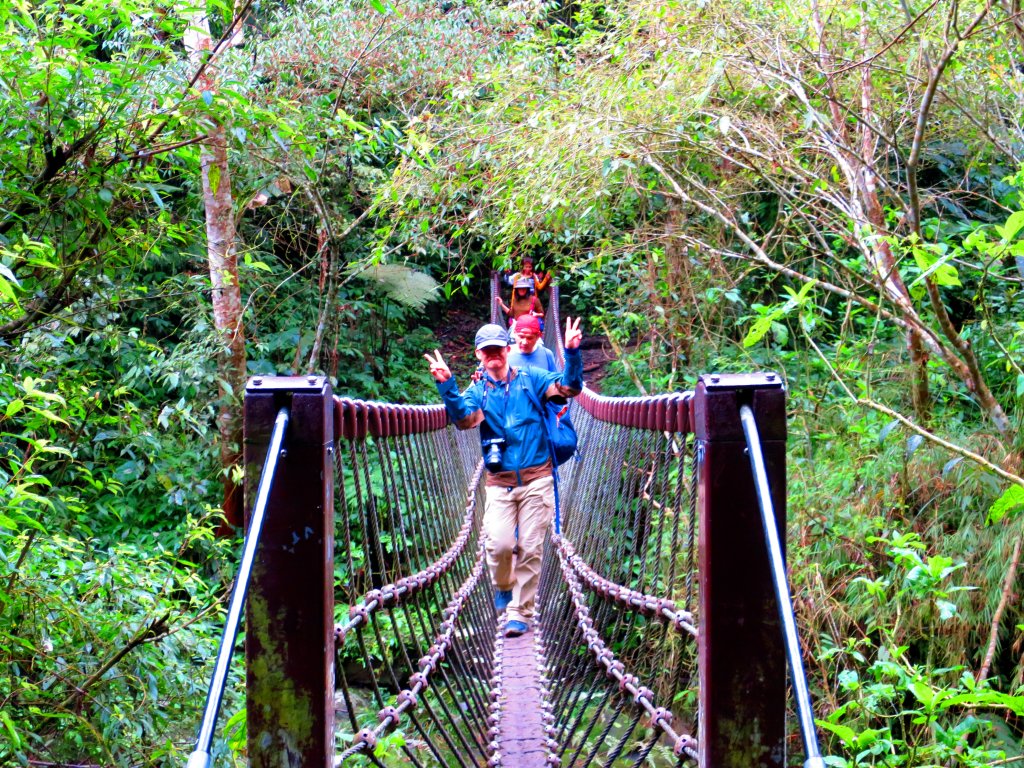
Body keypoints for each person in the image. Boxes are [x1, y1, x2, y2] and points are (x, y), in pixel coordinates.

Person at [424, 317, 584, 638]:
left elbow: (569, 388)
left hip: (538, 478)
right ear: (479, 356)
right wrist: (447, 386)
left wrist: (572, 353)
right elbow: (465, 420)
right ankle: (503, 585)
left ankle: (520, 613)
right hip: (499, 482)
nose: (494, 356)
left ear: (508, 350)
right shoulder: (478, 390)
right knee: (498, 544)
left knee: (530, 547)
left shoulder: (531, 379)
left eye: (499, 349)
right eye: (487, 352)